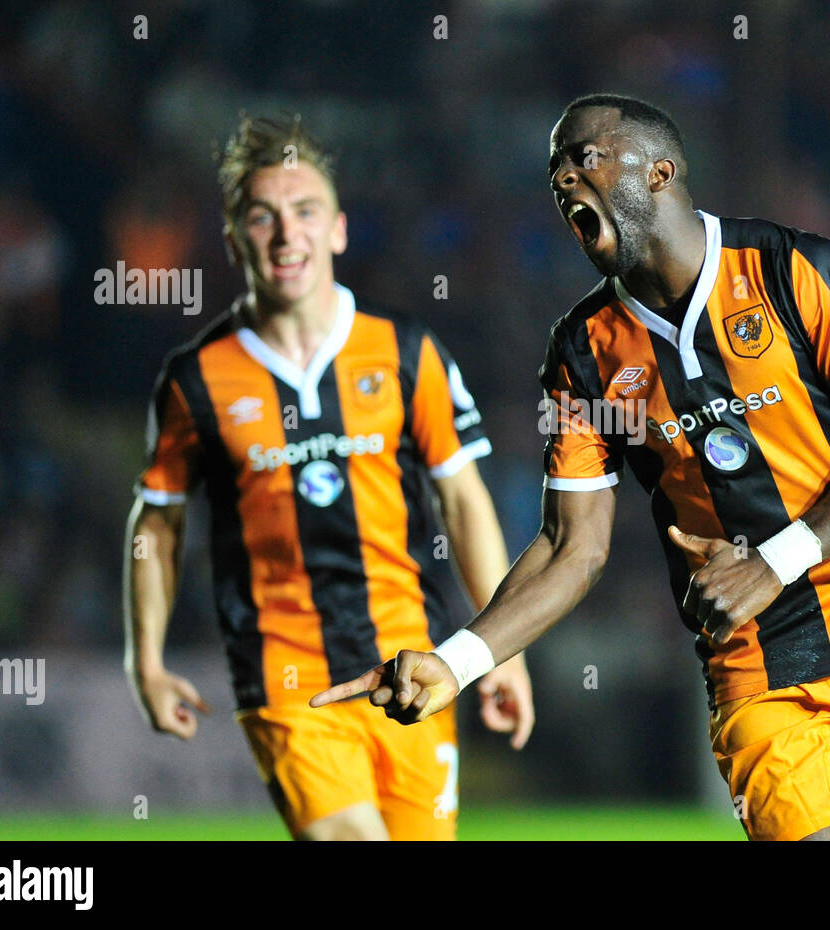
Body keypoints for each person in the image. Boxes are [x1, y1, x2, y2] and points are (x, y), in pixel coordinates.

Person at [313, 94, 830, 841]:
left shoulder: (792, 267)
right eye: (555, 166)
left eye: (584, 155)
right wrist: (458, 661)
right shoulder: (582, 354)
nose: (564, 176)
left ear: (659, 171)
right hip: (761, 662)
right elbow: (573, 546)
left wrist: (772, 562)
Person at [124, 114, 533, 841]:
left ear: (338, 229)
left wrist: (502, 649)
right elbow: (157, 523)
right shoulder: (197, 380)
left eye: (305, 211)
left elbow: (465, 502)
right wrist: (145, 661)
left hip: (413, 664)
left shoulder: (406, 353)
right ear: (232, 241)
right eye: (263, 217)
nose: (287, 235)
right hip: (285, 673)